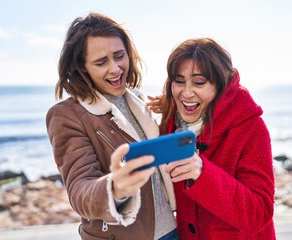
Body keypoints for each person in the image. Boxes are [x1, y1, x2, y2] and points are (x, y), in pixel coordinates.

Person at [46, 12, 178, 240]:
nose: (116, 69)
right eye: (101, 62)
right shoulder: (66, 115)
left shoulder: (137, 101)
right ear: (82, 67)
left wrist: (174, 112)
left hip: (172, 230)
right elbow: (79, 191)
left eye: (119, 56)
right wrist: (115, 188)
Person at [151, 38, 276, 239]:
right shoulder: (172, 124)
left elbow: (259, 213)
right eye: (179, 81)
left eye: (199, 82)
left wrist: (203, 174)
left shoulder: (251, 128)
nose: (187, 92)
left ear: (221, 84)